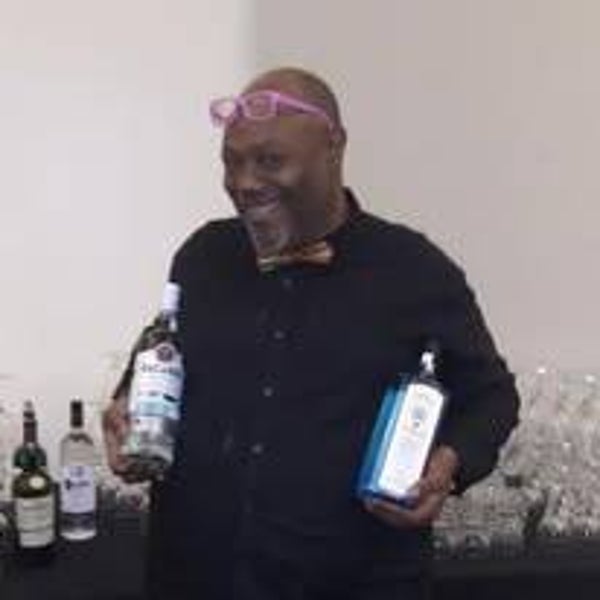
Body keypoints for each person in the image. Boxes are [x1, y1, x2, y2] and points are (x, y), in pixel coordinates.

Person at [103, 66, 520, 600]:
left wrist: (448, 466)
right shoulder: (203, 255)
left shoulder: (414, 271)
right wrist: (124, 406)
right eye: (231, 161)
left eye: (270, 161)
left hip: (350, 582)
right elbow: (159, 356)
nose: (244, 182)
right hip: (192, 575)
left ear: (334, 146)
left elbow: (491, 398)